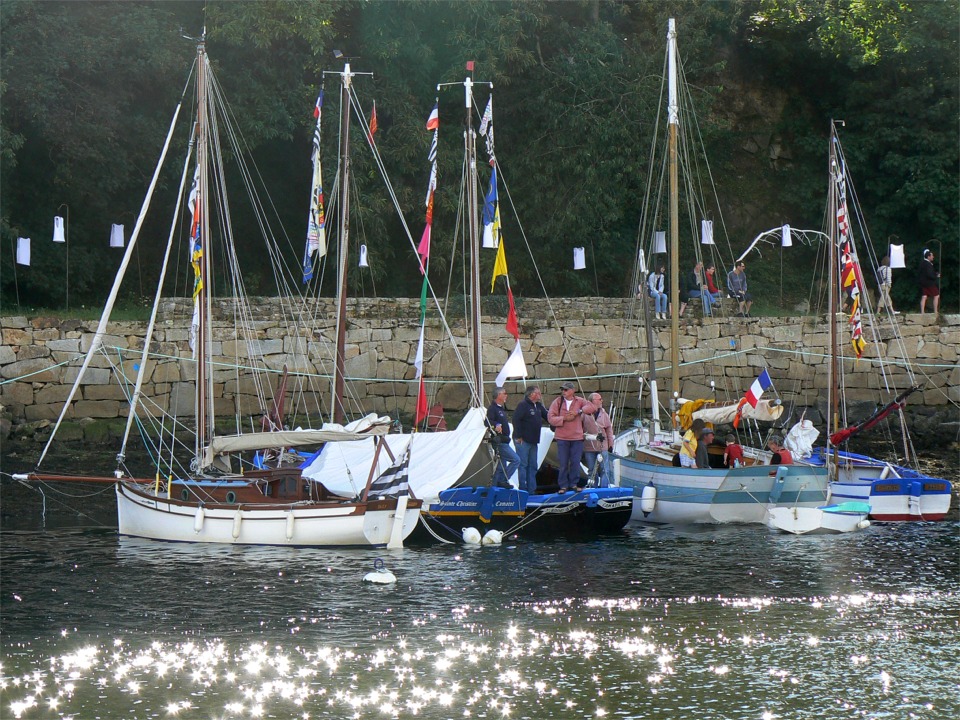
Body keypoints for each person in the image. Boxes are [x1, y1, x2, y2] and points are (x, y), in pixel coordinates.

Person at [547, 382, 597, 493]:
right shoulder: (557, 402)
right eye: (562, 390)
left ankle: (574, 484)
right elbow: (550, 418)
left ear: (572, 390)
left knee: (575, 462)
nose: (563, 392)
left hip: (577, 438)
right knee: (563, 463)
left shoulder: (580, 401)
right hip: (562, 437)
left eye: (566, 390)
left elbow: (592, 407)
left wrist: (578, 411)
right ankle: (563, 486)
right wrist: (564, 418)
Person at [512, 384, 548, 494]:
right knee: (523, 465)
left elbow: (547, 416)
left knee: (533, 465)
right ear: (531, 394)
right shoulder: (523, 405)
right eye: (538, 393)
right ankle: (523, 489)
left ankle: (531, 489)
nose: (540, 395)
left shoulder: (538, 405)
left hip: (533, 441)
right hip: (523, 440)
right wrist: (518, 436)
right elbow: (515, 419)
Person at [486, 387, 520, 487]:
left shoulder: (500, 409)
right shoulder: (493, 409)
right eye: (504, 393)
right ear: (499, 395)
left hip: (504, 440)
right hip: (499, 441)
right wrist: (496, 424)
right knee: (516, 460)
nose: (506, 395)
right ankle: (503, 480)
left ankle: (494, 486)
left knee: (500, 467)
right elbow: (487, 421)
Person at [582, 392, 615, 487]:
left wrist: (610, 444)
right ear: (592, 401)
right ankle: (593, 488)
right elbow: (579, 428)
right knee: (592, 470)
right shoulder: (584, 414)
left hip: (602, 446)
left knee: (605, 469)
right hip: (589, 447)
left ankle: (604, 489)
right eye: (599, 399)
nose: (602, 401)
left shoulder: (604, 414)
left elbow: (609, 429)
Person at [918, 248, 940, 314]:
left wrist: (935, 274)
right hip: (929, 283)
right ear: (928, 256)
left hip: (923, 283)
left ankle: (922, 311)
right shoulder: (928, 264)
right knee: (936, 295)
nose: (933, 257)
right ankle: (935, 311)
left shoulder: (922, 263)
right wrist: (936, 276)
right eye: (932, 255)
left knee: (924, 296)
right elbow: (929, 274)